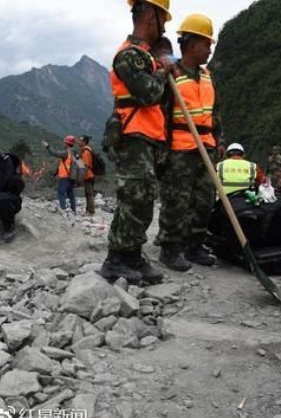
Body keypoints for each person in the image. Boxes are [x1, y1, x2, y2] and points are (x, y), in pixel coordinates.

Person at [98, 0, 172, 284]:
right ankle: (118, 258)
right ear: (150, 17)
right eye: (163, 17)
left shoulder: (145, 56)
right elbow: (149, 93)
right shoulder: (129, 55)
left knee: (141, 196)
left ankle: (131, 253)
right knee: (135, 196)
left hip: (146, 135)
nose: (164, 25)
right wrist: (163, 72)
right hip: (132, 135)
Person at [157, 13, 223, 272]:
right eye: (207, 44)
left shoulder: (207, 76)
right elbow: (160, 115)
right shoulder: (172, 76)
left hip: (205, 143)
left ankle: (194, 245)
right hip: (179, 148)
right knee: (178, 200)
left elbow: (215, 111)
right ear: (192, 43)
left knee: (205, 198)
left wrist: (219, 139)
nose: (209, 49)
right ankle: (170, 248)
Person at [42, 136, 78, 214]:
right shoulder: (75, 153)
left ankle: (63, 209)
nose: (63, 144)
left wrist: (47, 146)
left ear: (67, 143)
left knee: (61, 193)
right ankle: (73, 210)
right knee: (71, 194)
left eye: (64, 142)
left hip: (65, 177)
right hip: (72, 177)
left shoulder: (66, 153)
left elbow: (55, 153)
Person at [78, 135, 96, 214]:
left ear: (84, 142)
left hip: (88, 175)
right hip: (90, 174)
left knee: (89, 193)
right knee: (88, 193)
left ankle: (90, 211)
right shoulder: (88, 149)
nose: (79, 142)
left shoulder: (85, 152)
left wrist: (81, 177)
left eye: (80, 141)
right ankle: (88, 209)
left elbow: (85, 165)